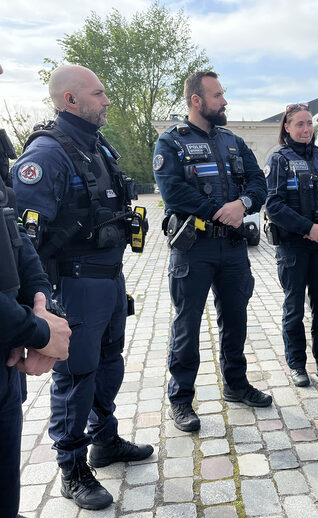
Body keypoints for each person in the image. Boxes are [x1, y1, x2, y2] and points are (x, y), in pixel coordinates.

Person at [12, 64, 153, 510]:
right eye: (99, 93)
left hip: (109, 280)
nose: (107, 99)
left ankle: (104, 441)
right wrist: (42, 305)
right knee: (75, 375)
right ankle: (72, 466)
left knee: (108, 364)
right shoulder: (48, 155)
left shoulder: (96, 147)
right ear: (70, 100)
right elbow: (23, 238)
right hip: (75, 286)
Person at [154, 71, 271, 433]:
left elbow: (258, 182)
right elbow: (173, 193)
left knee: (235, 320)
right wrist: (221, 211)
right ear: (196, 101)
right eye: (218, 95)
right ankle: (181, 400)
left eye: (223, 94)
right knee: (187, 326)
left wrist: (244, 203)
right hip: (194, 249)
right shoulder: (171, 142)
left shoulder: (233, 140)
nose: (224, 101)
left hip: (233, 248)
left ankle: (236, 385)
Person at [0, 62, 71, 518]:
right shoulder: (45, 152)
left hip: (5, 358)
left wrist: (43, 306)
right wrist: (38, 331)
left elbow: (16, 232)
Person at [264, 103, 318, 387]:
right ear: (286, 127)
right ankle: (297, 365)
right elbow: (273, 205)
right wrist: (307, 228)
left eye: (309, 124)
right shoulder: (278, 160)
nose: (305, 129)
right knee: (294, 309)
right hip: (293, 246)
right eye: (299, 124)